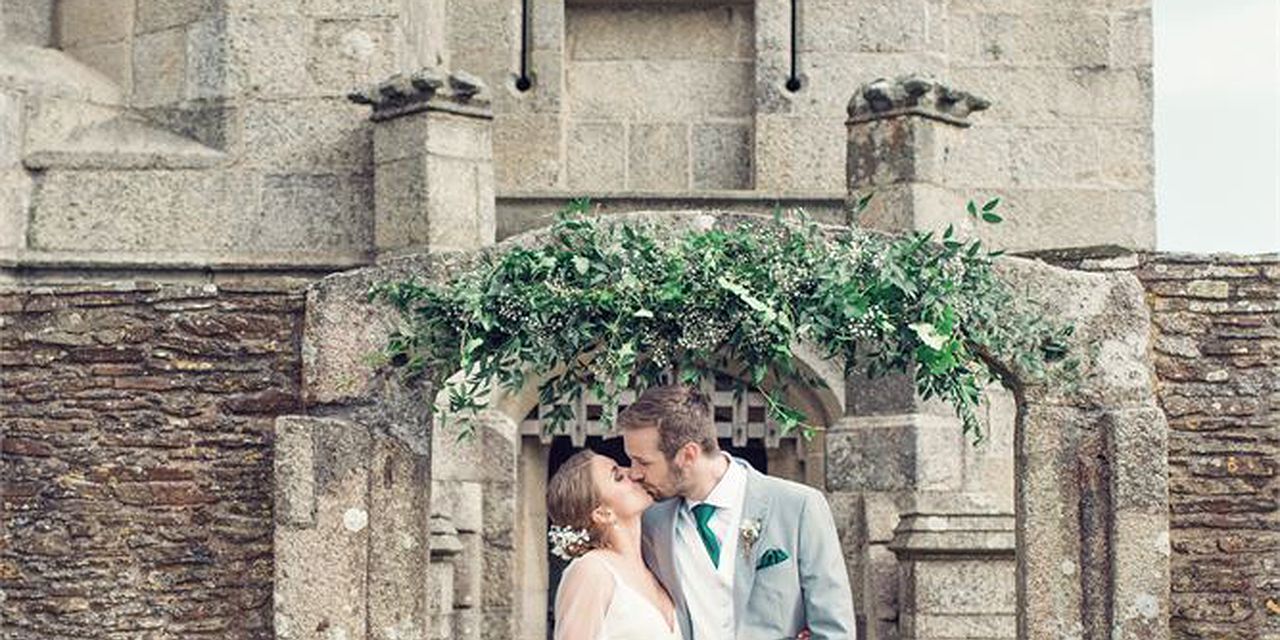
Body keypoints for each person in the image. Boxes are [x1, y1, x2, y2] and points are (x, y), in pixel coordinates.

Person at [620, 384, 856, 640]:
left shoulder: (799, 507)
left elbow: (834, 629)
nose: (634, 473)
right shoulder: (651, 521)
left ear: (688, 455)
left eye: (643, 462)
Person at [547, 449, 683, 640]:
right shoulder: (591, 570)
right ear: (603, 514)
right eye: (618, 476)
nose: (634, 474)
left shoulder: (655, 567)